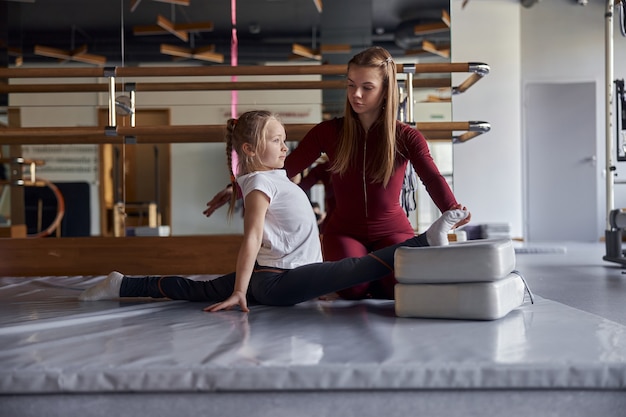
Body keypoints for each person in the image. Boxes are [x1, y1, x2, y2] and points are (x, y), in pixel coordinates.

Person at [80, 110, 469, 313]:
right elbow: (251, 237)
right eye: (277, 140)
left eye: (286, 140)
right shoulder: (260, 184)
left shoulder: (278, 177)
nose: (286, 147)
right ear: (250, 150)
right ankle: (423, 241)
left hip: (278, 275)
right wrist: (238, 291)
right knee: (356, 267)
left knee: (193, 289)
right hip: (277, 281)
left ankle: (121, 284)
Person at [203, 47, 470, 301]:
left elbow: (432, 177)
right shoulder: (329, 132)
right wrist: (236, 190)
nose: (356, 94)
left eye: (367, 87)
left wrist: (451, 208)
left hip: (392, 229)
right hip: (344, 232)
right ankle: (368, 280)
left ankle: (378, 279)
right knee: (351, 289)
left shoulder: (406, 136)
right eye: (351, 84)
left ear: (387, 90)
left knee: (395, 287)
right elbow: (284, 171)